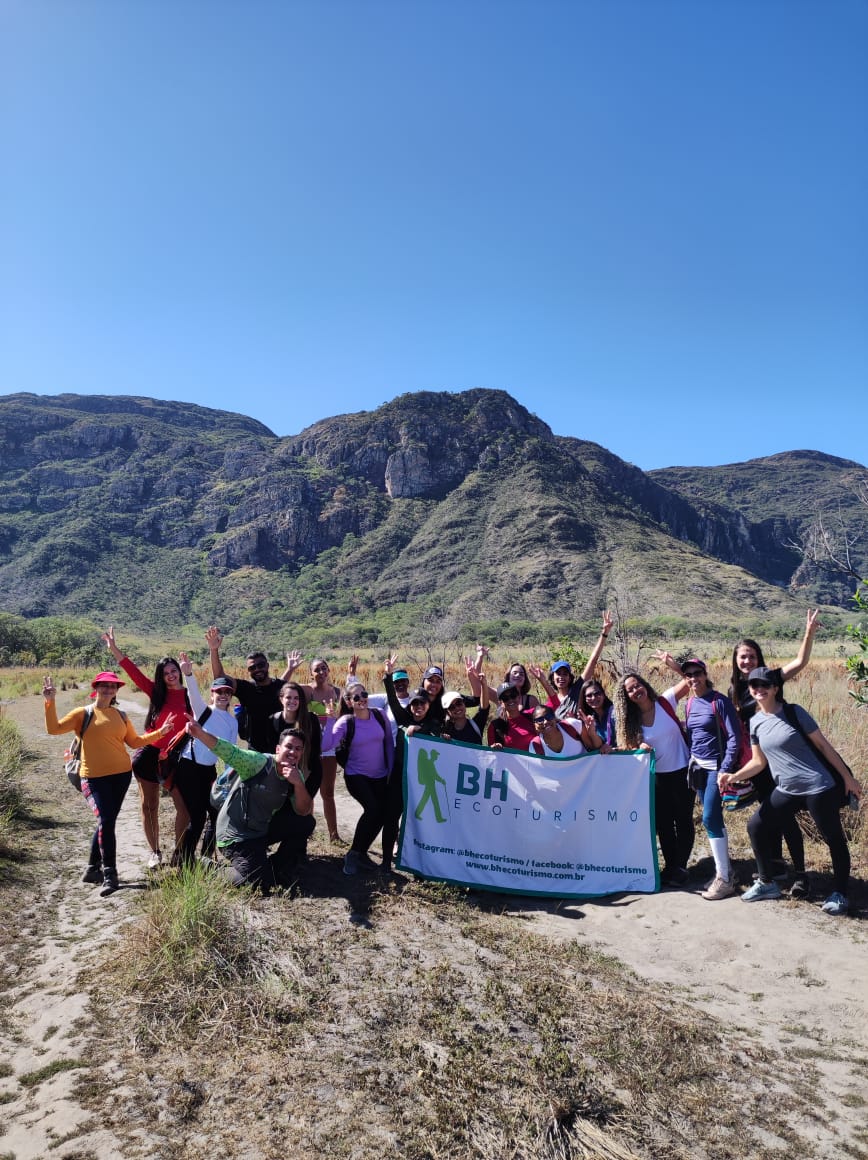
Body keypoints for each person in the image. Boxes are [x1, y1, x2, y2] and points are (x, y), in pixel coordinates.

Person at [720, 667, 862, 915]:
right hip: (787, 789)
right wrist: (734, 776)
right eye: (754, 685)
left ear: (776, 688)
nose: (759, 689)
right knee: (756, 826)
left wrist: (847, 778)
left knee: (833, 838)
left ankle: (840, 893)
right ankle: (766, 883)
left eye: (765, 685)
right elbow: (758, 762)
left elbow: (824, 747)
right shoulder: (755, 722)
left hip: (818, 786)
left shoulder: (794, 712)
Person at [43, 671, 171, 895]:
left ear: (116, 691)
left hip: (121, 776)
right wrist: (50, 701)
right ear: (96, 687)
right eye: (104, 686)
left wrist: (161, 732)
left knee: (107, 821)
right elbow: (53, 729)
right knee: (106, 819)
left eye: (113, 687)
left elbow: (134, 742)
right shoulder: (82, 714)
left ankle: (93, 869)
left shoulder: (120, 715)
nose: (109, 690)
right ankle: (110, 875)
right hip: (91, 777)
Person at [184, 718, 315, 892]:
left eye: (298, 749)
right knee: (254, 882)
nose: (293, 752)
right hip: (236, 833)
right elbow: (230, 751)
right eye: (289, 746)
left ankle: (273, 869)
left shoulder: (295, 774)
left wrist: (299, 784)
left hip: (260, 831)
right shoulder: (258, 763)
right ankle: (206, 866)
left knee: (306, 823)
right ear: (278, 749)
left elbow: (303, 810)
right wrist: (200, 733)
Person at [101, 626, 190, 869]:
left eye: (174, 671)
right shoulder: (157, 693)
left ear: (180, 672)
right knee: (149, 805)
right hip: (149, 754)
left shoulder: (191, 696)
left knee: (184, 808)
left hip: (177, 757)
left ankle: (180, 853)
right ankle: (155, 852)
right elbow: (134, 673)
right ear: (161, 676)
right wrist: (114, 649)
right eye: (166, 672)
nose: (171, 675)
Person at [614, 673, 694, 889]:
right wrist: (637, 747)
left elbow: (690, 681)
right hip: (656, 777)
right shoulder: (631, 721)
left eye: (637, 685)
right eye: (630, 690)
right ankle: (671, 866)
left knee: (684, 820)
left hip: (682, 771)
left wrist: (672, 665)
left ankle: (681, 867)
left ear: (645, 685)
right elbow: (625, 746)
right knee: (664, 824)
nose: (635, 691)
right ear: (626, 697)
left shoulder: (665, 702)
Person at [323, 682, 395, 876]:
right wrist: (330, 720)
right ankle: (354, 854)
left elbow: (388, 742)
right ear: (348, 701)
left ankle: (361, 853)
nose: (361, 698)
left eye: (364, 694)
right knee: (373, 810)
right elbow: (326, 745)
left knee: (381, 814)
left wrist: (390, 768)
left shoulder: (380, 715)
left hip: (380, 775)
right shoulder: (346, 722)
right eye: (356, 697)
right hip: (356, 775)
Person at [174, 656, 238, 864]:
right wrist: (188, 673)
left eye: (227, 692)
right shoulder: (204, 711)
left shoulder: (231, 722)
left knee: (217, 813)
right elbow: (192, 694)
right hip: (188, 767)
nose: (223, 695)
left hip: (209, 771)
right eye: (219, 691)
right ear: (212, 694)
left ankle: (205, 857)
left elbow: (230, 753)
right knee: (198, 816)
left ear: (231, 696)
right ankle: (185, 860)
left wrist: (229, 780)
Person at [382, 670, 443, 872]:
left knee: (419, 820)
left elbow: (435, 734)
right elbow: (391, 699)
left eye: (422, 703)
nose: (418, 707)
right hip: (399, 778)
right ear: (410, 705)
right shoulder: (402, 718)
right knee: (391, 818)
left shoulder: (432, 724)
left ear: (428, 705)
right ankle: (385, 862)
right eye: (415, 703)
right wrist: (387, 677)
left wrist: (418, 729)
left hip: (421, 782)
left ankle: (417, 861)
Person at [288, 654, 344, 844]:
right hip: (310, 747)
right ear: (310, 674)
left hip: (329, 748)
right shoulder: (306, 691)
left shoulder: (337, 692)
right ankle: (306, 831)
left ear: (328, 670)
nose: (321, 672)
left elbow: (345, 717)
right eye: (316, 669)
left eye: (324, 668)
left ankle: (334, 835)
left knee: (327, 792)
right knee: (308, 790)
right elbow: (281, 689)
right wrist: (291, 668)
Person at [206, 626, 286, 754]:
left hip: (281, 750)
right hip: (255, 751)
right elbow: (220, 678)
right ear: (248, 671)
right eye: (252, 668)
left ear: (267, 665)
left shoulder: (282, 687)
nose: (257, 669)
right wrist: (214, 649)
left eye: (260, 665)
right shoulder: (247, 688)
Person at [530, 611, 615, 719]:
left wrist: (604, 633)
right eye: (558, 674)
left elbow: (593, 660)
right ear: (553, 677)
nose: (561, 677)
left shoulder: (577, 690)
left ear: (570, 677)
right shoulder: (551, 702)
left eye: (565, 674)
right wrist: (542, 680)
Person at [440, 658, 490, 743]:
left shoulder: (476, 724)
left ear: (464, 703)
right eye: (451, 707)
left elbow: (484, 707)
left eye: (459, 703)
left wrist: (483, 684)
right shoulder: (445, 730)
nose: (457, 708)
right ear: (447, 711)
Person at [529, 707, 601, 756]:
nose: (545, 722)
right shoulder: (535, 746)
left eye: (549, 716)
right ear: (534, 725)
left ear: (554, 718)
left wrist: (592, 732)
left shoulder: (572, 725)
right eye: (539, 720)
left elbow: (594, 748)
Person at [487, 683, 536, 751]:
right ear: (501, 703)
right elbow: (492, 754)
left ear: (519, 697)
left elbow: (552, 707)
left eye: (513, 696)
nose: (510, 700)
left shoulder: (531, 716)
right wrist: (496, 748)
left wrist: (543, 681)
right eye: (505, 698)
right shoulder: (495, 726)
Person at [578, 680, 616, 747]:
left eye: (597, 694)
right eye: (589, 695)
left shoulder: (614, 713)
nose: (593, 698)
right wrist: (592, 732)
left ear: (603, 695)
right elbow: (598, 746)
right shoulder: (591, 719)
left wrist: (614, 749)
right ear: (585, 700)